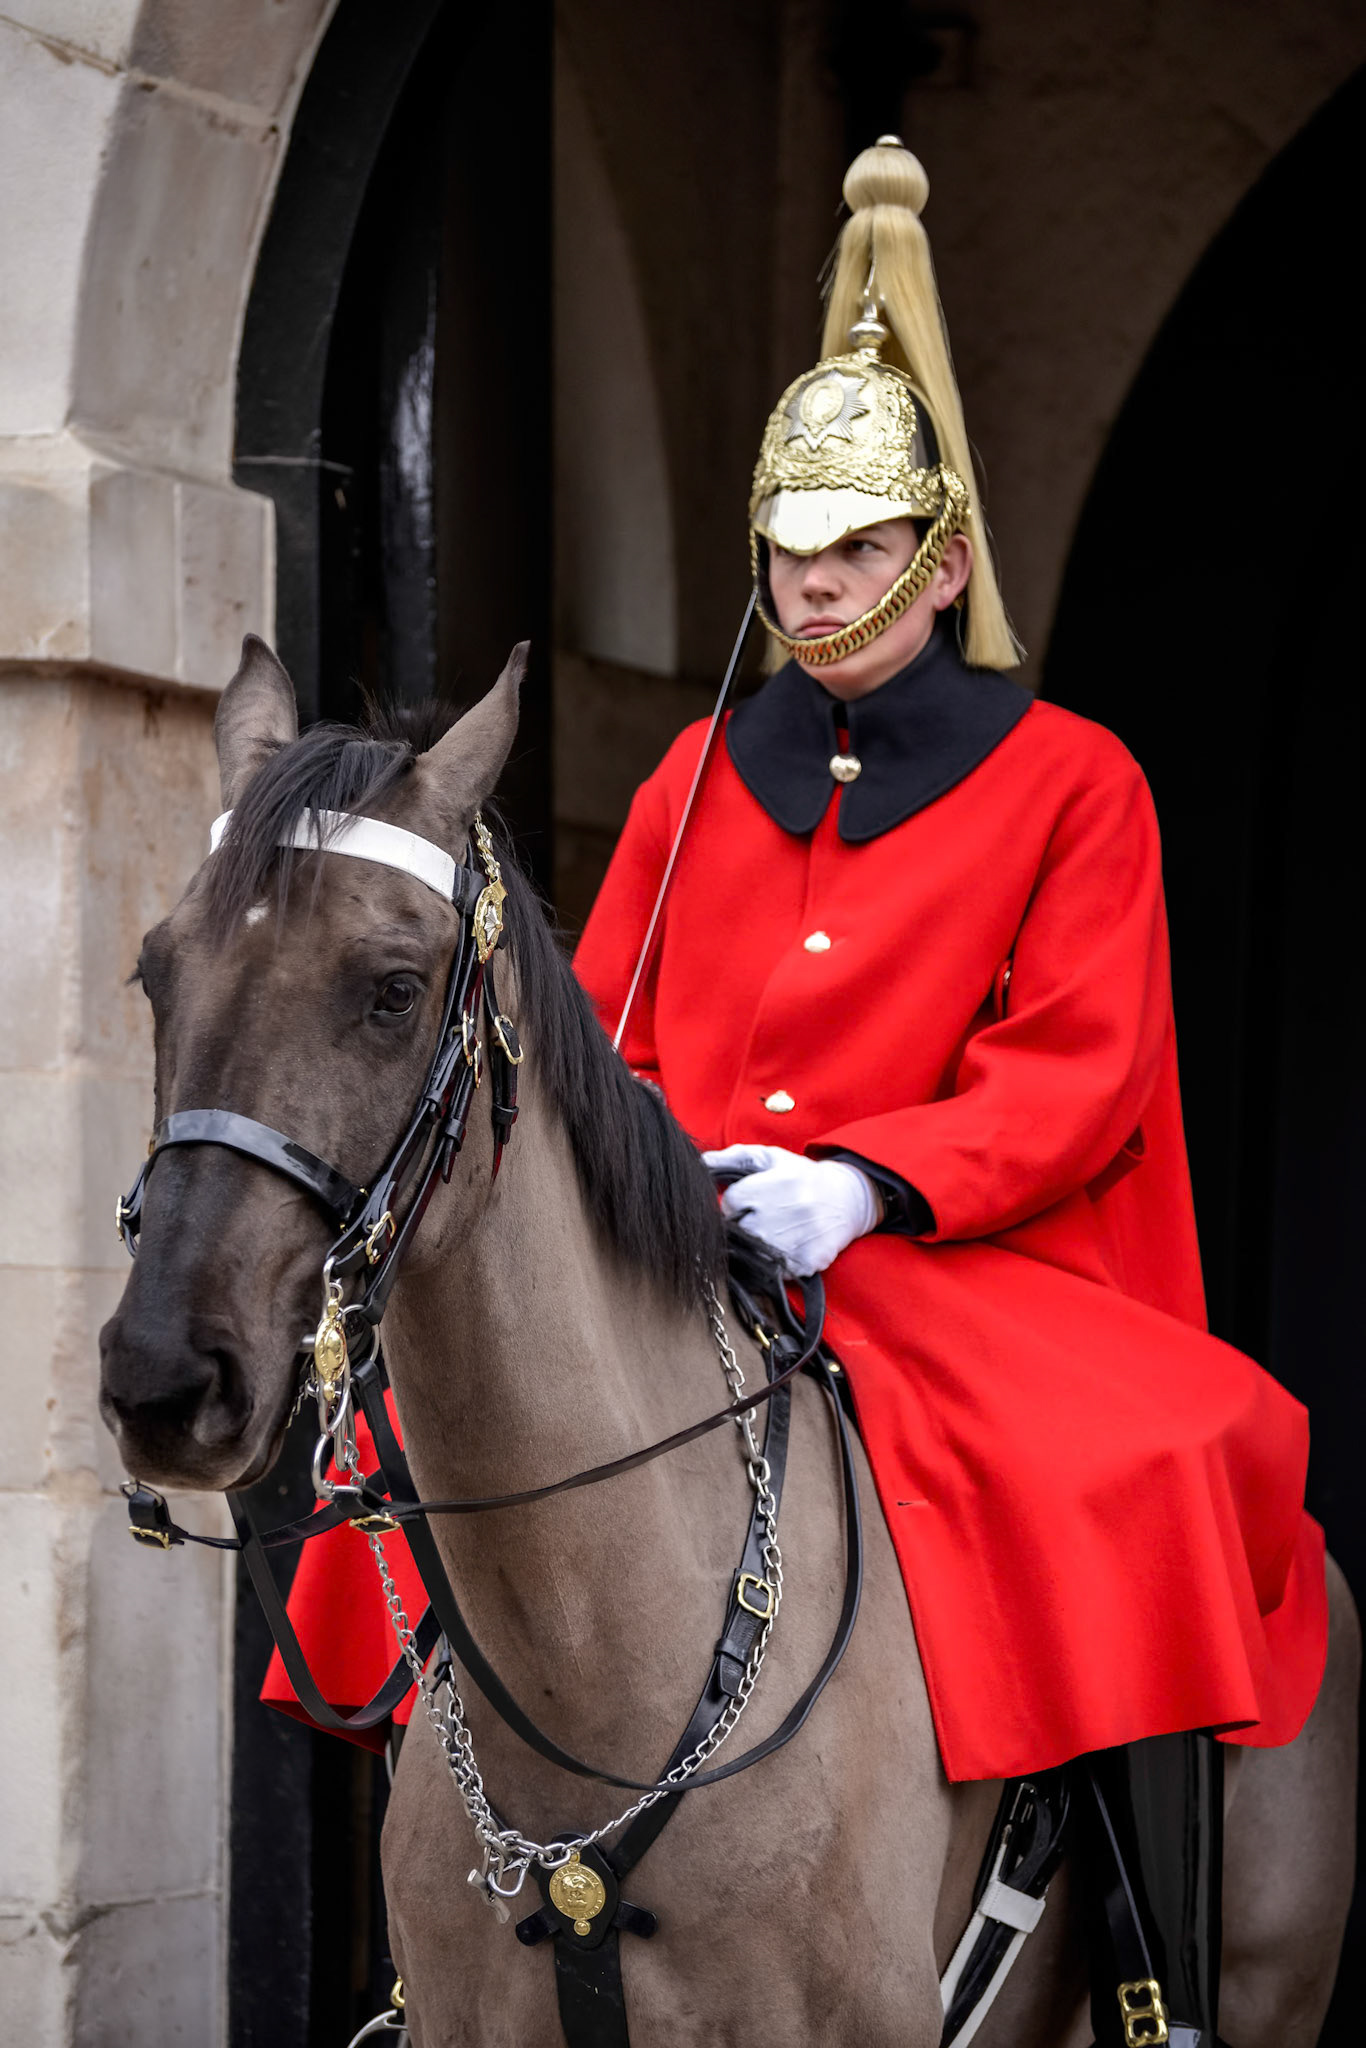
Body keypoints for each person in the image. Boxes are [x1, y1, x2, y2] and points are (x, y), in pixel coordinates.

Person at [571, 138, 1328, 2048]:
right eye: (786, 552)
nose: (812, 588)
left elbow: (1074, 1074)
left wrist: (860, 1187)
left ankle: (1142, 1949)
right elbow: (603, 1042)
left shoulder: (1076, 779)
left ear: (941, 561)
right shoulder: (684, 779)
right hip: (692, 1248)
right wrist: (665, 1183)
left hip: (948, 1257)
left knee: (1164, 1464)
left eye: (851, 552)